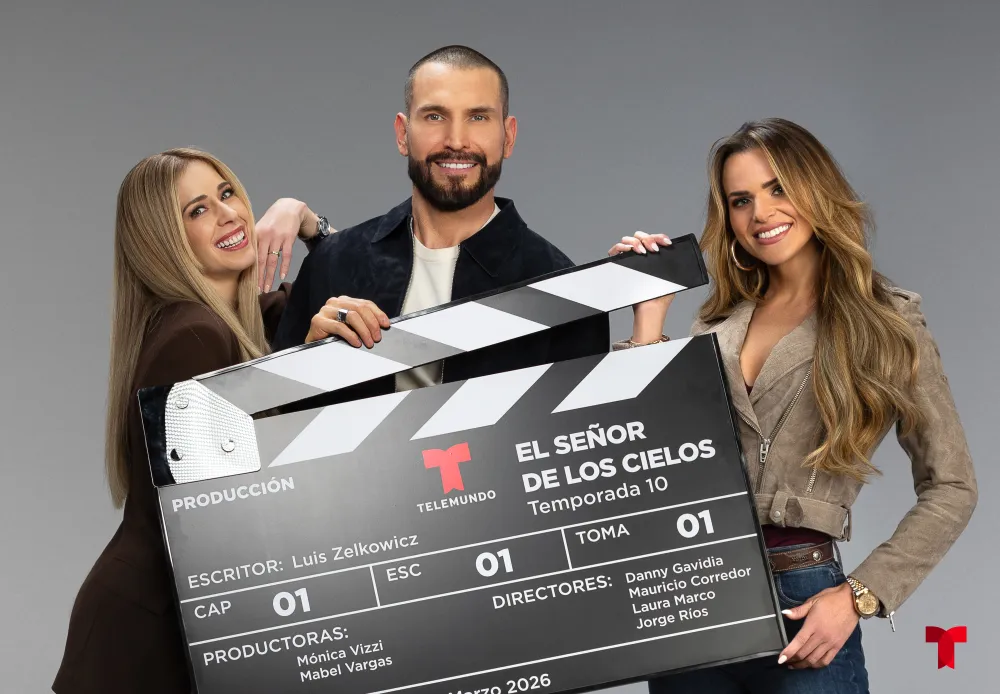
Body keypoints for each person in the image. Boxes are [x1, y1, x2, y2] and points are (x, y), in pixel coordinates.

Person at [610, 119, 977, 693]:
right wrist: (648, 317)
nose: (761, 213)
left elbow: (953, 486)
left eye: (778, 188)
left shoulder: (887, 320)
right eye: (741, 199)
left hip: (805, 604)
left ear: (816, 188)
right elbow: (646, 455)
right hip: (695, 593)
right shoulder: (714, 324)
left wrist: (860, 596)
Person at [52, 148, 323, 694]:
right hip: (145, 644)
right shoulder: (195, 337)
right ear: (163, 243)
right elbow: (205, 530)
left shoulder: (245, 321)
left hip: (170, 629)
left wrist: (306, 220)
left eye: (227, 194)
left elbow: (375, 296)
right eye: (196, 211)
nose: (227, 215)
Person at [254, 45, 609, 394]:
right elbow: (269, 424)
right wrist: (305, 361)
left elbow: (583, 434)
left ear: (509, 136)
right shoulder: (331, 263)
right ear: (402, 134)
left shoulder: (561, 289)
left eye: (478, 117)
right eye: (435, 116)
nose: (456, 140)